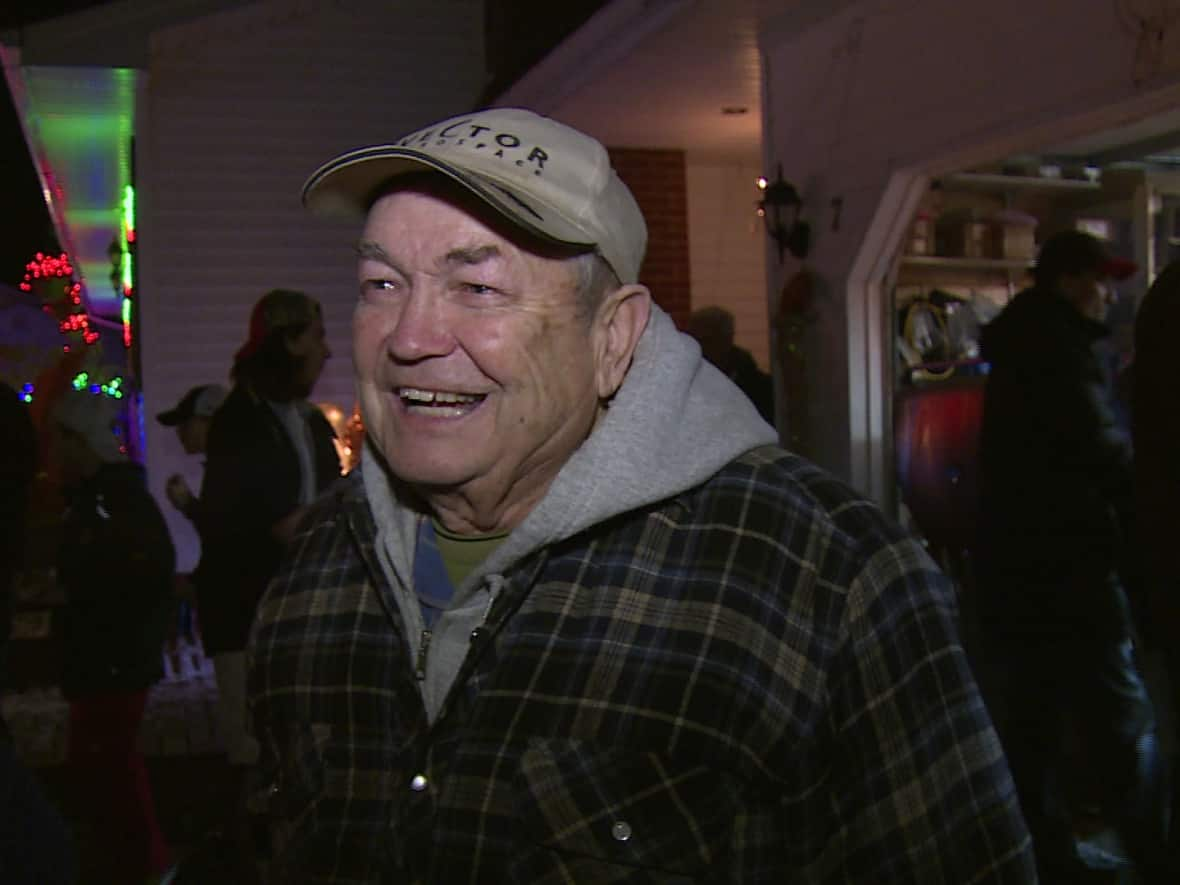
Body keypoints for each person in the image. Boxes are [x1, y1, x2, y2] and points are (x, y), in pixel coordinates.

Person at [248, 107, 1034, 883]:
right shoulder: (315, 567)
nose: (409, 337)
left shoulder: (832, 581)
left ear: (613, 339)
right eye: (381, 282)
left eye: (478, 287)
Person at [976, 229, 1171, 883]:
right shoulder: (1059, 349)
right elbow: (1103, 452)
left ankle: (1045, 857)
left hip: (1017, 570)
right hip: (1072, 568)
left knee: (1031, 726)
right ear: (1068, 280)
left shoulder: (1023, 342)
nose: (1109, 294)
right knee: (1121, 719)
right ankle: (1156, 854)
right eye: (1100, 279)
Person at [48, 389, 174, 882]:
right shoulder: (101, 501)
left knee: (113, 774)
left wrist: (80, 593)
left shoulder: (109, 503)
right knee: (108, 774)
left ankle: (142, 866)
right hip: (107, 658)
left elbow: (142, 573)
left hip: (111, 659)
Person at [156, 382, 228, 653]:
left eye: (186, 423)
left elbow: (227, 538)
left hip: (233, 619)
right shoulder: (225, 467)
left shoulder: (227, 471)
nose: (179, 433)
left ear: (209, 420)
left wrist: (195, 583)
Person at [686, 304, 775, 423]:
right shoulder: (686, 387)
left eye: (706, 340)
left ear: (727, 339)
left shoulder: (761, 390)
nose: (699, 348)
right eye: (693, 340)